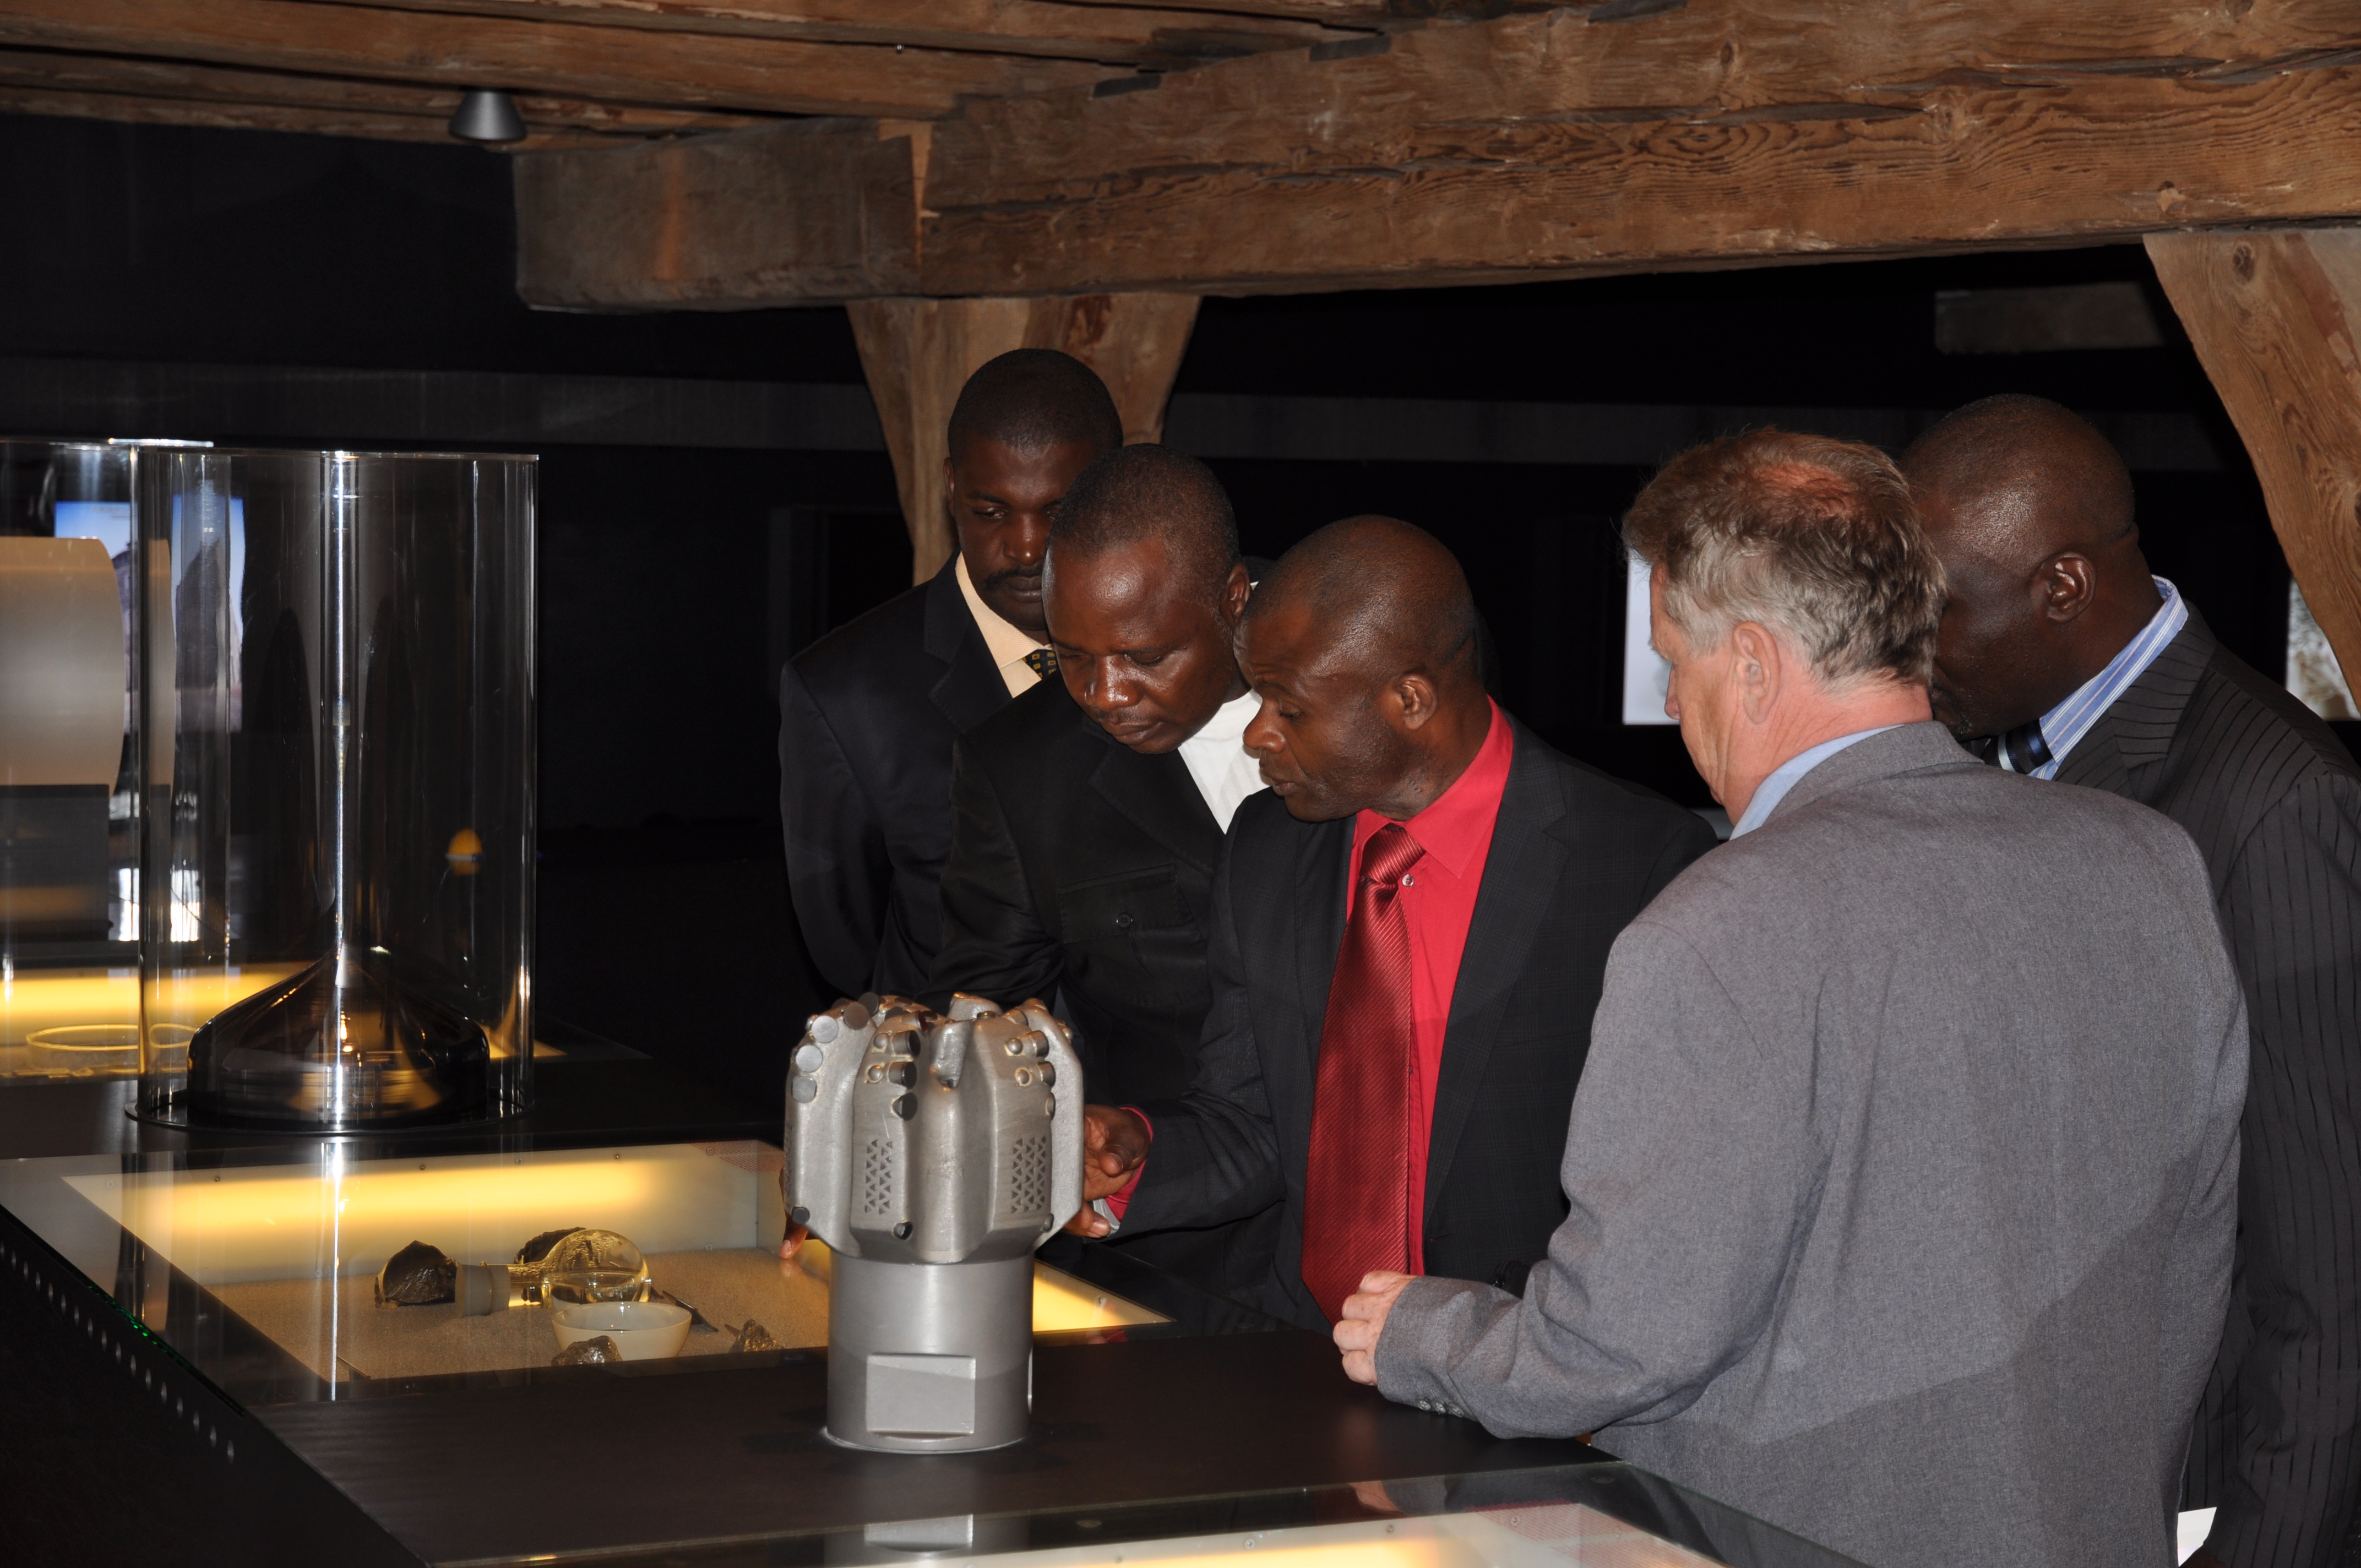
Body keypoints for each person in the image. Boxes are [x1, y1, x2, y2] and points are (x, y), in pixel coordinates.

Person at [1334, 430, 2248, 1568]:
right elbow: (2189, 1280)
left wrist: (1423, 1332)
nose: (1673, 699)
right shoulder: (2148, 863)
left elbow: (1618, 1342)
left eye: (1675, 660)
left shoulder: (1714, 927)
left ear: (1755, 664)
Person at [1903, 394, 2361, 1568]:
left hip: (2186, 1495)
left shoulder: (2273, 802)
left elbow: (2327, 1256)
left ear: (2061, 587)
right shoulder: (1991, 748)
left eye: (1934, 612)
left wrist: (2264, 1547)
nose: (1907, 651)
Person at [1069, 515, 1717, 1330]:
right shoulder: (1267, 848)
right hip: (1303, 1354)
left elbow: (1673, 1186)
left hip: (1525, 1362)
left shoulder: (1640, 865)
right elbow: (1254, 1122)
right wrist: (1132, 1157)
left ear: (1409, 699)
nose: (1258, 734)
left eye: (1289, 708)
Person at [926, 444, 1279, 1292]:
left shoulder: (1363, 660)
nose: (1105, 693)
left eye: (1144, 656)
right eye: (1074, 656)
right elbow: (984, 1015)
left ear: (1234, 600)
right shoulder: (1023, 766)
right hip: (1183, 1249)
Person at [778, 350, 1120, 999]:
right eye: (991, 512)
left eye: (1060, 511)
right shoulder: (845, 695)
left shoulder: (1190, 650)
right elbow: (847, 947)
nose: (1026, 547)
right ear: (950, 489)